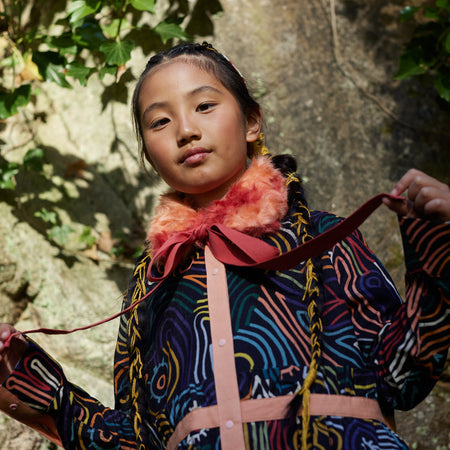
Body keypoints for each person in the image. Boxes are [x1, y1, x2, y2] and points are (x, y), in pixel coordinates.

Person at [0, 41, 449, 450]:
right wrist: (33, 384)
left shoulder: (326, 238)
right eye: (160, 121)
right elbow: (140, 439)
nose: (185, 130)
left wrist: (437, 244)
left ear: (251, 121)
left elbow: (403, 376)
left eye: (204, 106)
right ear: (149, 156)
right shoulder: (150, 284)